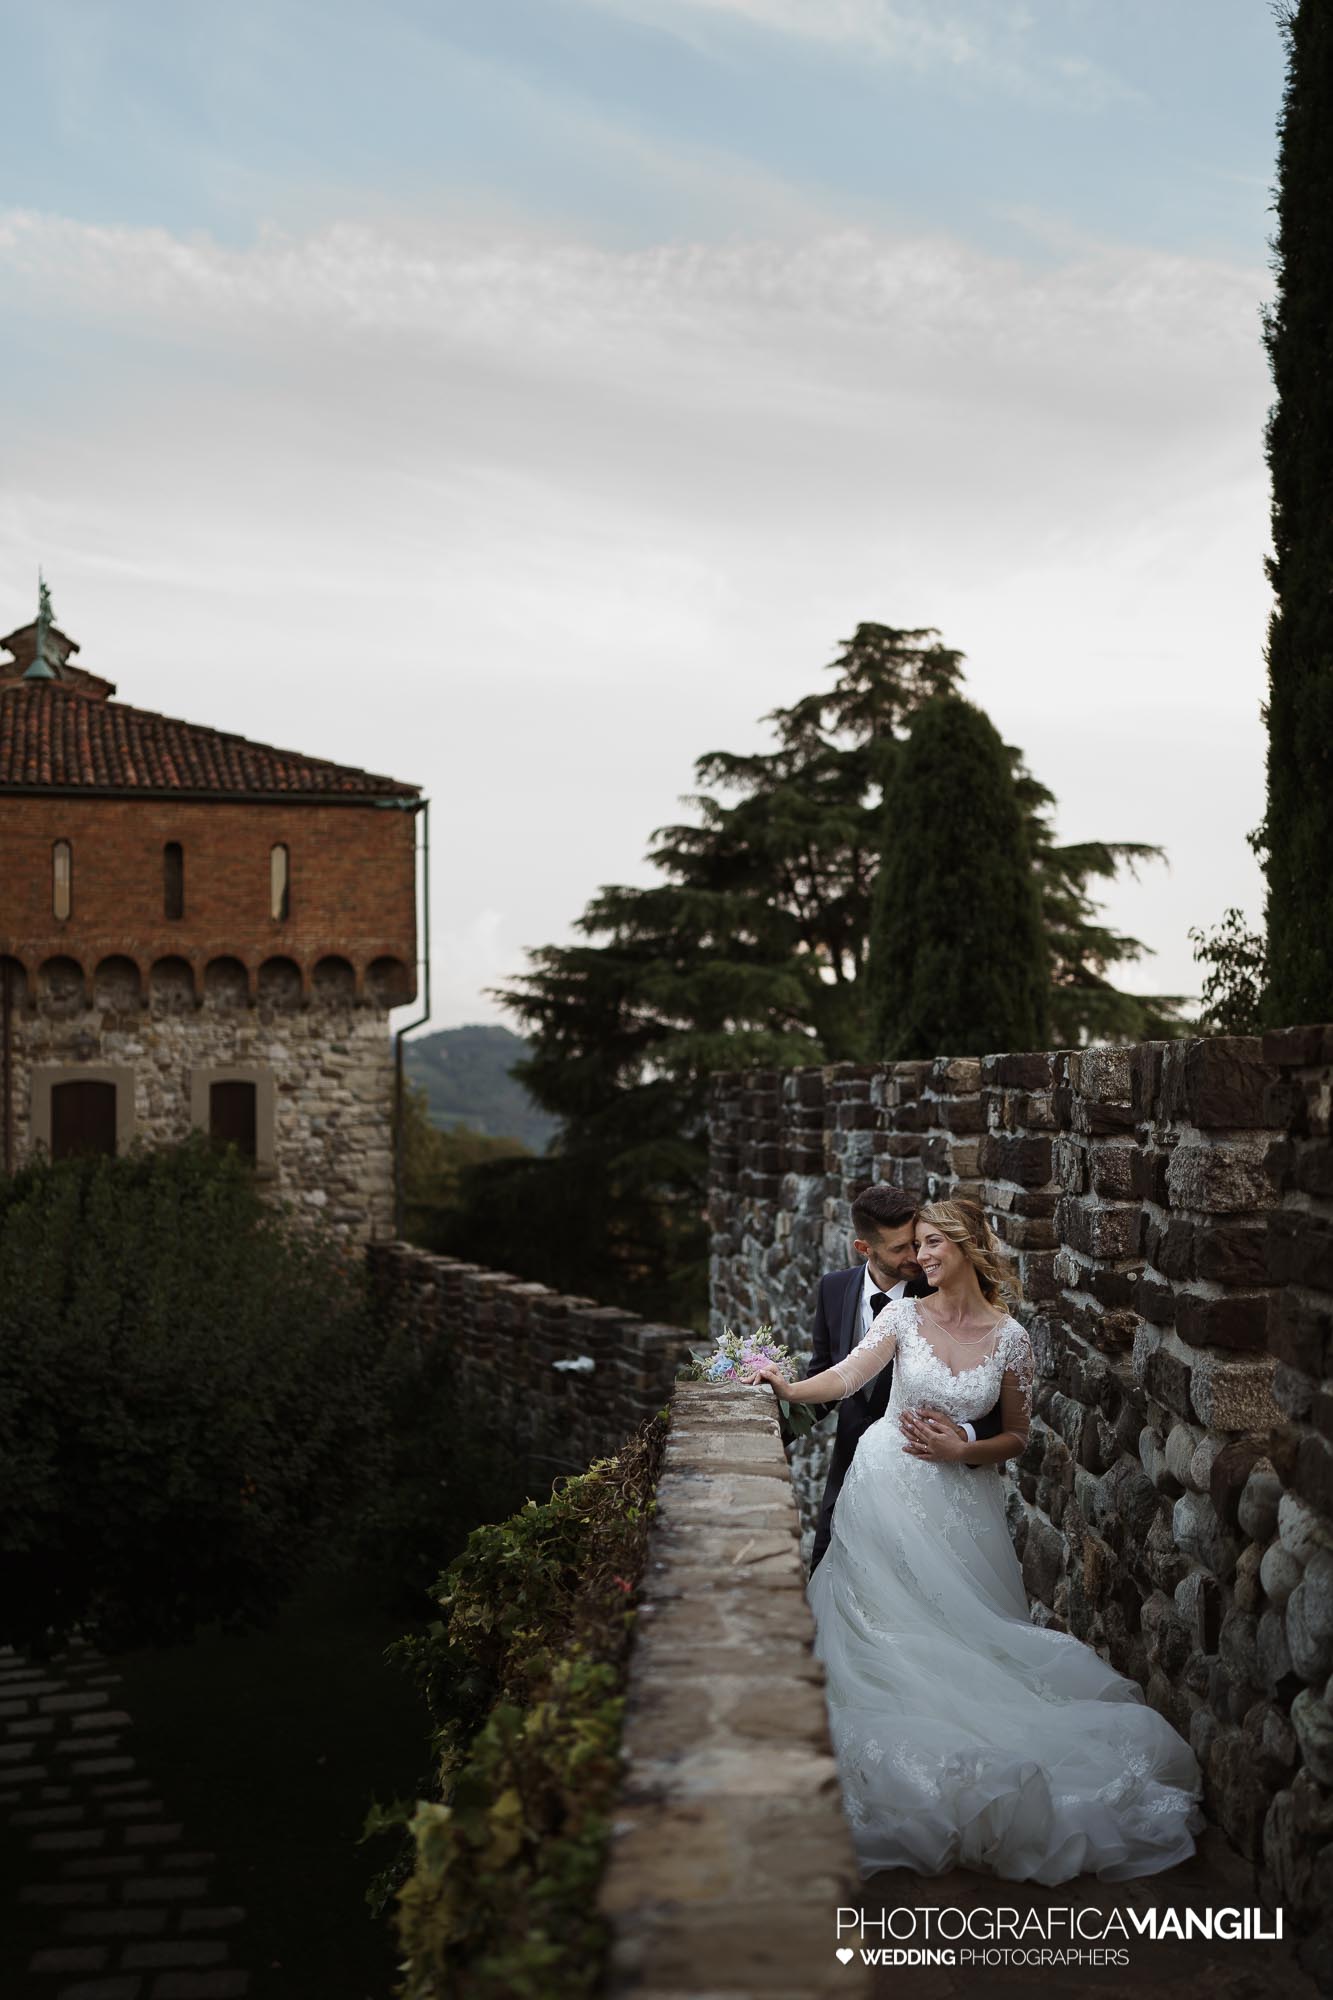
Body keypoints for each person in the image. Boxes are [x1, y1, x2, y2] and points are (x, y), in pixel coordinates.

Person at [743, 1197, 1204, 1884]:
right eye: (916, 1246)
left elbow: (1015, 1436)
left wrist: (963, 1453)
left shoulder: (1011, 1338)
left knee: (966, 1631)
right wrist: (786, 1386)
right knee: (876, 1622)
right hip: (882, 1488)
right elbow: (846, 1377)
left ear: (964, 1246)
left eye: (931, 1244)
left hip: (961, 1503)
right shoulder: (901, 1316)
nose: (919, 1257)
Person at [805, 1184, 1006, 1573]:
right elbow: (825, 1379)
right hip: (851, 1466)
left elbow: (993, 1401)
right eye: (901, 1249)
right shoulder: (834, 1288)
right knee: (829, 1575)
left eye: (916, 1242)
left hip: (929, 1482)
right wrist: (778, 1423)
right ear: (865, 1248)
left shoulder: (941, 1291)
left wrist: (964, 1437)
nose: (916, 1256)